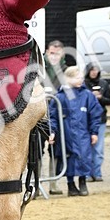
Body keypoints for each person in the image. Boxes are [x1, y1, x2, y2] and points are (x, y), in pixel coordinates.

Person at [48, 66, 102, 196]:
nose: (81, 80)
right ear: (68, 79)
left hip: (83, 133)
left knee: (84, 156)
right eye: (77, 77)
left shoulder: (87, 95)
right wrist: (52, 131)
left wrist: (94, 132)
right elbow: (52, 116)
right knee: (68, 158)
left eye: (81, 77)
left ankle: (83, 182)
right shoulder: (60, 97)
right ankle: (70, 184)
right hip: (66, 134)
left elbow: (95, 113)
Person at [44, 41, 67, 193]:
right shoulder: (39, 68)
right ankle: (36, 182)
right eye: (52, 53)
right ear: (46, 52)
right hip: (40, 113)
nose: (54, 56)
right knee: (36, 149)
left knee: (56, 150)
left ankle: (54, 183)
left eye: (57, 53)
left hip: (58, 114)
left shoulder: (66, 70)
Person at [84, 62, 110, 180]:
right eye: (91, 70)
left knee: (98, 148)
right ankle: (87, 173)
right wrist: (91, 96)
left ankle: (97, 173)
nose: (94, 72)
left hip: (100, 119)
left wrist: (101, 98)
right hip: (85, 119)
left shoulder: (104, 83)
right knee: (86, 148)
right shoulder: (83, 84)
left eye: (96, 70)